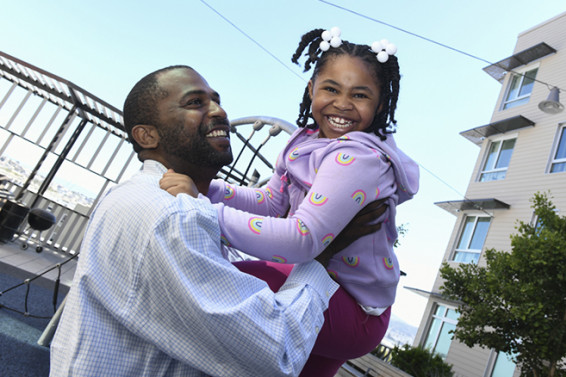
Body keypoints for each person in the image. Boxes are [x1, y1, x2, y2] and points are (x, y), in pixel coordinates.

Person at [49, 65, 385, 377]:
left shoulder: (133, 196)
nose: (218, 110)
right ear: (147, 136)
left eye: (216, 100)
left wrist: (207, 198)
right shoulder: (175, 214)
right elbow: (277, 353)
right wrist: (321, 259)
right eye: (195, 102)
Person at [161, 27, 420, 376]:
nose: (342, 104)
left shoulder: (359, 159)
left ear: (380, 105)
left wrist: (203, 210)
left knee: (218, 286)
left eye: (360, 95)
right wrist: (211, 189)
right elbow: (270, 203)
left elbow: (301, 238)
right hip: (323, 283)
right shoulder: (305, 141)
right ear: (311, 88)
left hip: (352, 308)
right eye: (330, 88)